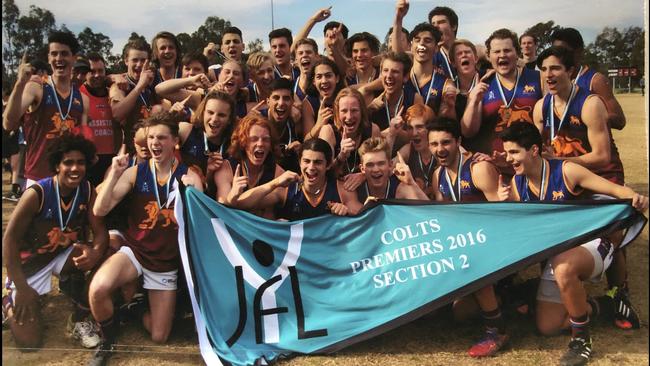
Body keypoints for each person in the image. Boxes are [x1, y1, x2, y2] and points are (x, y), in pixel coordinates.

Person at [498, 122, 648, 366]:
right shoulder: (518, 183)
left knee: (564, 267)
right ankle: (608, 306)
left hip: (593, 243)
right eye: (507, 153)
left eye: (514, 152)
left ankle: (581, 342)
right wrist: (504, 205)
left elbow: (614, 190)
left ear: (534, 150)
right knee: (548, 326)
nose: (509, 159)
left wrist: (635, 197)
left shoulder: (567, 171)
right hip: (559, 253)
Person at [89, 112, 203, 365]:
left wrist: (192, 193)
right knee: (98, 289)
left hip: (166, 262)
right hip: (136, 251)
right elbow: (99, 209)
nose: (155, 143)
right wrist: (114, 175)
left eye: (161, 137)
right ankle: (107, 340)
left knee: (159, 336)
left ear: (175, 141)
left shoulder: (190, 175)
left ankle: (135, 306)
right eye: (151, 137)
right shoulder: (135, 172)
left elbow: (201, 223)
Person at [2, 134, 108, 350]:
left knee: (107, 254)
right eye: (68, 162)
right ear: (57, 165)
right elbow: (9, 241)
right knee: (29, 344)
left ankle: (80, 315)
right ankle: (7, 303)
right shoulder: (37, 193)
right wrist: (21, 287)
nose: (75, 168)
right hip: (31, 264)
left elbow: (101, 233)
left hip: (63, 254)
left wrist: (95, 253)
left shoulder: (87, 190)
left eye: (80, 162)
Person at [426, 117, 507, 357]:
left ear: (458, 141)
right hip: (462, 246)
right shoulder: (437, 176)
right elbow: (443, 221)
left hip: (490, 246)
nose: (440, 149)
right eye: (434, 144)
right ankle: (513, 298)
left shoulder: (478, 168)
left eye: (446, 142)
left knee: (473, 261)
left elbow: (502, 217)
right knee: (459, 314)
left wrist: (477, 241)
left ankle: (497, 330)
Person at [3, 31, 91, 186]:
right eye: (54, 54)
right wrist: (19, 84)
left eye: (64, 54)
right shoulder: (36, 87)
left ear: (74, 58)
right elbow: (8, 123)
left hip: (70, 178)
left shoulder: (82, 99)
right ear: (48, 58)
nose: (58, 59)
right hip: (38, 177)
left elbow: (83, 141)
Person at [461, 28, 542, 166]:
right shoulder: (483, 84)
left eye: (507, 50)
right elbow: (468, 132)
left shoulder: (538, 79)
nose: (502, 55)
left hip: (530, 164)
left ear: (517, 53)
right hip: (496, 165)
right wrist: (473, 101)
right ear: (489, 55)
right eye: (497, 51)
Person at [228, 138, 361, 220]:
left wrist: (347, 211)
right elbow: (242, 204)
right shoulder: (286, 190)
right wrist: (274, 183)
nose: (311, 167)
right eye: (306, 161)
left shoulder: (342, 188)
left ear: (328, 165)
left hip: (330, 257)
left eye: (318, 162)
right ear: (299, 162)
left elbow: (365, 217)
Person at [550, 27, 626, 130]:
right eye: (555, 52)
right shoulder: (553, 80)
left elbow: (619, 120)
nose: (558, 56)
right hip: (564, 145)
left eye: (563, 52)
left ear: (578, 51)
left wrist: (589, 116)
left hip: (594, 145)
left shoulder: (595, 80)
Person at [215, 114, 285, 219]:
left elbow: (265, 211)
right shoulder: (226, 168)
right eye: (254, 139)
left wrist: (234, 198)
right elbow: (222, 208)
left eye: (266, 139)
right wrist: (232, 195)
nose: (260, 144)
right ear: (243, 142)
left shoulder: (278, 174)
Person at [177, 90, 235, 194]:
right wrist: (169, 118)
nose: (214, 119)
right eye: (210, 112)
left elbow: (215, 192)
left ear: (230, 119)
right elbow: (143, 138)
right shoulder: (186, 130)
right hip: (181, 198)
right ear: (203, 112)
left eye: (221, 115)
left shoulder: (233, 146)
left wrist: (210, 174)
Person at [319, 87, 381, 177]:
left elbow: (379, 168)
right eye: (344, 111)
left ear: (362, 112)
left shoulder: (373, 130)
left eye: (354, 110)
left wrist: (362, 176)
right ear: (337, 112)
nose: (349, 117)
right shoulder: (328, 132)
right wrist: (341, 156)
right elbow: (323, 174)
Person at [109, 38, 157, 155]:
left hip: (150, 151)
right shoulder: (120, 85)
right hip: (128, 154)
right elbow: (117, 115)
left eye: (143, 60)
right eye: (134, 60)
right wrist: (139, 86)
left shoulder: (151, 85)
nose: (139, 65)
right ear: (126, 61)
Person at [80, 53, 117, 186]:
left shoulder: (114, 93)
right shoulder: (79, 94)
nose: (97, 75)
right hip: (89, 158)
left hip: (112, 158)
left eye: (100, 71)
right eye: (92, 71)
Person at [356, 136, 428, 203]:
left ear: (390, 165)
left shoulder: (400, 189)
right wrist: (366, 210)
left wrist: (412, 183)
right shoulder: (353, 189)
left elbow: (427, 212)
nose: (376, 169)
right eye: (370, 165)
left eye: (381, 163)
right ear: (362, 169)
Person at [395, 104, 437, 199]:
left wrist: (476, 160)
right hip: (420, 210)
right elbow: (386, 168)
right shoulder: (408, 150)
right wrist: (391, 134)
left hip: (444, 208)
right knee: (403, 188)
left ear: (430, 128)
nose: (414, 133)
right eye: (410, 128)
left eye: (419, 127)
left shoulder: (442, 148)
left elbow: (465, 159)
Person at [302, 58, 346, 141]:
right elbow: (306, 141)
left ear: (337, 78)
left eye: (328, 76)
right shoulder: (309, 102)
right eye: (319, 77)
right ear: (314, 81)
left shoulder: (345, 98)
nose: (324, 81)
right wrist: (319, 124)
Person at [428, 5, 460, 80]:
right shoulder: (430, 56)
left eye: (441, 22)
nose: (435, 26)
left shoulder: (469, 51)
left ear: (454, 26)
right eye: (433, 24)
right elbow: (400, 55)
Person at [293, 38, 320, 102]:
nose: (304, 55)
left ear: (317, 57)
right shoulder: (290, 86)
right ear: (296, 59)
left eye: (308, 52)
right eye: (300, 53)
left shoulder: (322, 86)